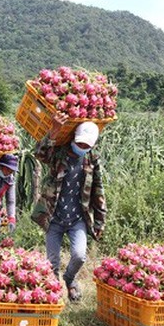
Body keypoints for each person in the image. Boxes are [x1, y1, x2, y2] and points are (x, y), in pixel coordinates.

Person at [30, 112, 107, 302]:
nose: (81, 147)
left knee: (80, 256)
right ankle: (53, 294)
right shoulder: (59, 153)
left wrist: (100, 221)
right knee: (52, 262)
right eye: (79, 143)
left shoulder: (91, 161)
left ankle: (70, 279)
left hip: (77, 219)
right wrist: (53, 132)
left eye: (85, 146)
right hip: (53, 217)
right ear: (73, 138)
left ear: (92, 146)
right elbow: (39, 153)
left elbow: (98, 191)